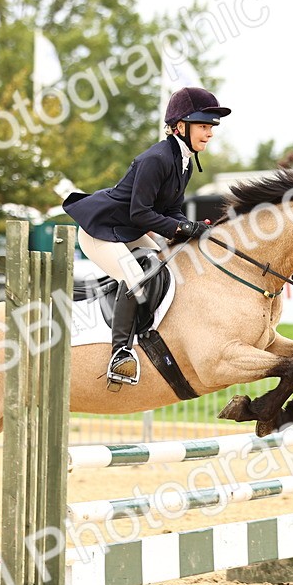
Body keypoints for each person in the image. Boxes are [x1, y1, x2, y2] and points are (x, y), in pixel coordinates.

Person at [63, 86, 229, 388]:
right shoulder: (156, 159)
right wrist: (182, 230)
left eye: (211, 127)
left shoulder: (184, 160)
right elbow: (141, 213)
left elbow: (171, 209)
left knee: (163, 265)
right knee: (136, 276)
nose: (210, 133)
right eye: (204, 126)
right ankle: (120, 354)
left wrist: (192, 226)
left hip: (129, 230)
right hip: (102, 231)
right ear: (181, 126)